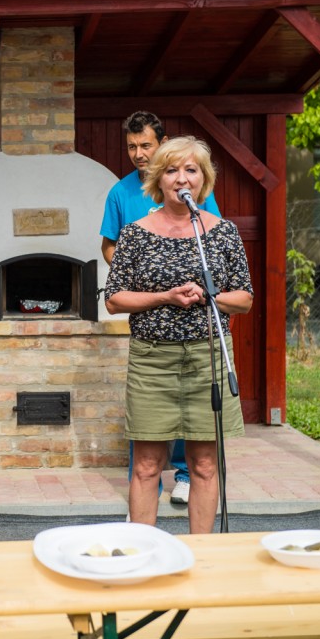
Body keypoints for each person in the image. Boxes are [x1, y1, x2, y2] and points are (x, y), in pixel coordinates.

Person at [104, 136, 253, 534]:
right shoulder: (135, 234)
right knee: (147, 465)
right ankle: (144, 555)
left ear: (204, 180)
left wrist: (210, 296)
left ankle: (200, 558)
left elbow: (244, 299)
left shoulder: (222, 233)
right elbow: (114, 300)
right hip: (153, 361)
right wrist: (165, 297)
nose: (181, 178)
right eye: (171, 170)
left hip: (208, 359)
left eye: (191, 170)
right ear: (158, 179)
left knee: (204, 464)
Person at [100, 111, 223, 507]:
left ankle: (185, 475)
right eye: (132, 147)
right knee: (147, 415)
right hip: (150, 319)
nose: (139, 153)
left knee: (195, 407)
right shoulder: (120, 192)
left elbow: (211, 234)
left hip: (195, 318)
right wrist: (139, 275)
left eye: (146, 145)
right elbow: (108, 246)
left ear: (163, 142)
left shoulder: (192, 186)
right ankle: (146, 492)